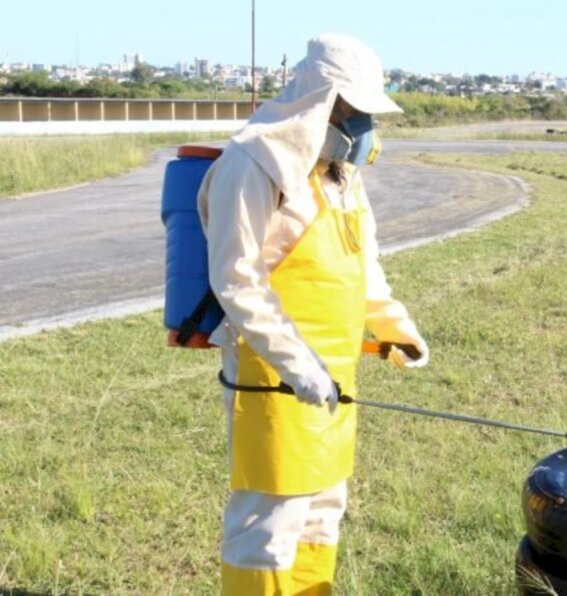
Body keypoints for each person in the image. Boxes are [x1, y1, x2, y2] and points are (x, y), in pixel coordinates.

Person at [197, 33, 429, 595]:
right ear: (319, 102)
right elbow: (237, 280)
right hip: (271, 375)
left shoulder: (341, 174)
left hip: (336, 374)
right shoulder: (253, 163)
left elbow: (362, 264)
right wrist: (297, 366)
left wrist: (397, 329)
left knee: (324, 510)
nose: (363, 128)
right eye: (354, 111)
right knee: (269, 519)